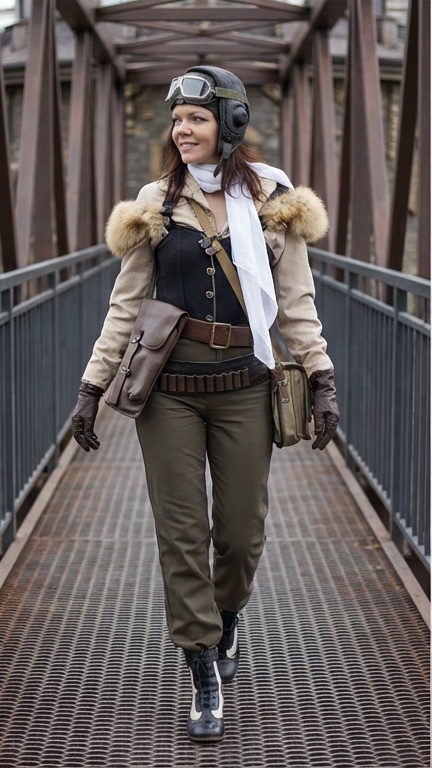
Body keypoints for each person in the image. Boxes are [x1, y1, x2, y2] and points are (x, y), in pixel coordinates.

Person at [71, 65, 339, 743]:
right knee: (182, 534)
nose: (180, 131)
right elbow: (126, 305)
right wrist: (91, 387)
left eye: (195, 118)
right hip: (171, 394)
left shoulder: (275, 200)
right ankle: (201, 666)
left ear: (231, 123)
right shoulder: (156, 203)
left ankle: (227, 616)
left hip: (246, 385)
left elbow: (297, 301)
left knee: (242, 534)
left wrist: (321, 376)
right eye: (175, 120)